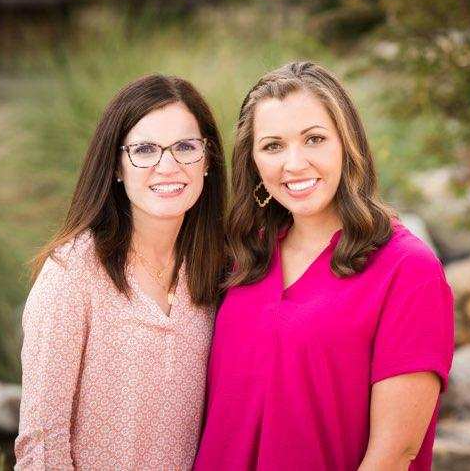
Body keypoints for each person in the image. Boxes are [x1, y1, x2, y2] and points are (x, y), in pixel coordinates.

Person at [193, 61, 454, 471]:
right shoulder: (241, 256)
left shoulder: (407, 270)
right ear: (254, 162)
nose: (294, 164)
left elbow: (395, 453)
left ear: (347, 144)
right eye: (273, 146)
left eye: (314, 139)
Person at [14, 73, 227, 470]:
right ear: (116, 166)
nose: (168, 165)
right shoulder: (72, 273)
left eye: (185, 146)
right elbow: (42, 444)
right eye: (145, 149)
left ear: (208, 159)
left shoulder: (218, 269)